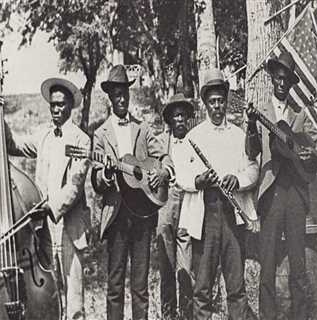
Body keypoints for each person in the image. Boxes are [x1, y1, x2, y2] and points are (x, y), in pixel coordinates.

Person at [0, 78, 91, 320]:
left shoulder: (81, 140)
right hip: (44, 231)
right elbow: (12, 146)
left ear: (70, 106)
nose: (56, 110)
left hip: (70, 230)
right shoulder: (44, 137)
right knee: (49, 297)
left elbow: (75, 186)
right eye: (52, 105)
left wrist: (48, 206)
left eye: (61, 105)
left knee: (74, 300)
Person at [245, 51, 317, 320]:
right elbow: (250, 151)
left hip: (295, 192)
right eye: (278, 77)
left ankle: (300, 315)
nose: (282, 83)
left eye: (287, 80)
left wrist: (312, 154)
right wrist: (249, 125)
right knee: (267, 263)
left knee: (298, 263)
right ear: (272, 78)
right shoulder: (262, 113)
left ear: (292, 83)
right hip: (271, 192)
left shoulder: (299, 114)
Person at [90, 64, 174, 320]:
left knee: (140, 285)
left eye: (125, 93)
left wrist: (163, 173)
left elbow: (165, 157)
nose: (121, 99)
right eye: (116, 94)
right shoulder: (101, 134)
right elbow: (95, 178)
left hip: (143, 215)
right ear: (111, 98)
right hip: (116, 215)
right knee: (115, 285)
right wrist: (105, 174)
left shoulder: (143, 128)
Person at [177, 68, 259, 320]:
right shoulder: (193, 137)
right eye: (212, 102)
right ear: (205, 104)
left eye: (221, 101)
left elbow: (253, 168)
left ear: (226, 101)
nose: (217, 107)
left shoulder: (238, 134)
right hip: (206, 214)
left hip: (232, 214)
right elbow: (181, 175)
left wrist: (239, 180)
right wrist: (198, 180)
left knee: (236, 285)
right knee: (202, 286)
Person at [157, 93, 195, 320]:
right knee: (166, 264)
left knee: (186, 265)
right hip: (165, 203)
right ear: (169, 120)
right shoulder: (161, 141)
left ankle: (187, 313)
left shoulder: (195, 140)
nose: (179, 119)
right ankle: (168, 313)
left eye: (183, 115)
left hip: (189, 201)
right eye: (175, 116)